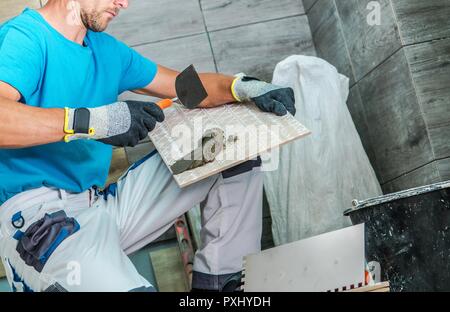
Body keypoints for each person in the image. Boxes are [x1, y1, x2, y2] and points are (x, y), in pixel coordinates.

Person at [0, 0, 296, 292]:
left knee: (232, 149)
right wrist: (98, 122)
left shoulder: (107, 50)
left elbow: (184, 87)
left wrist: (242, 87)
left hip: (100, 205)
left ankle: (221, 285)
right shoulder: (27, 38)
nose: (124, 4)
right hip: (37, 219)